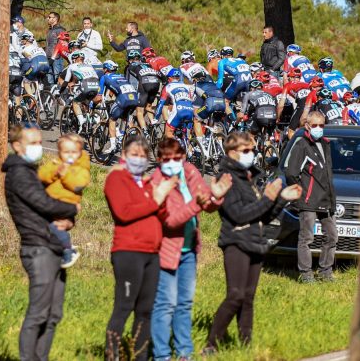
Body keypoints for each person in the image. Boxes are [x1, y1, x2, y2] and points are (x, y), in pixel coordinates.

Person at [205, 132, 301, 353]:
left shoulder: (250, 179)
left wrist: (281, 199)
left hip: (255, 241)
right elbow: (238, 215)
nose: (252, 155)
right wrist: (268, 198)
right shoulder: (226, 178)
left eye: (252, 150)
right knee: (236, 294)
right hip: (236, 241)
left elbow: (263, 216)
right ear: (231, 153)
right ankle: (211, 344)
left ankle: (244, 346)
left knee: (248, 298)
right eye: (246, 151)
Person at [3, 123, 79, 361]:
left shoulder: (32, 172)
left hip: (52, 245)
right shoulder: (19, 174)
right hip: (38, 248)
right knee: (38, 313)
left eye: (39, 142)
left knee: (53, 314)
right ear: (17, 146)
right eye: (33, 143)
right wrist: (72, 208)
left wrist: (68, 220)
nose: (39, 147)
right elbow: (43, 204)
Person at [150, 138, 231, 361]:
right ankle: (161, 355)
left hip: (189, 250)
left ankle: (185, 353)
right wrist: (197, 203)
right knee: (165, 305)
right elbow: (171, 221)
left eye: (178, 157)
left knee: (184, 303)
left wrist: (215, 196)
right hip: (165, 250)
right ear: (159, 160)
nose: (174, 162)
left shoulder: (190, 172)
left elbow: (207, 204)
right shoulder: (157, 181)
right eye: (168, 159)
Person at [103, 136, 171, 361]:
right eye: (135, 155)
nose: (139, 160)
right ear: (124, 156)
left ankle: (140, 356)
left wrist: (164, 197)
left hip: (152, 253)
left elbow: (160, 214)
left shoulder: (147, 183)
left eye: (144, 156)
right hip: (128, 251)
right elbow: (124, 212)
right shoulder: (117, 178)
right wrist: (156, 199)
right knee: (124, 306)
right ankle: (112, 355)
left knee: (145, 311)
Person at [285, 111, 339, 283]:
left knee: (332, 236)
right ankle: (306, 273)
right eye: (314, 125)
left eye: (321, 125)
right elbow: (291, 173)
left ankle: (325, 271)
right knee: (306, 238)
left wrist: (332, 199)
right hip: (308, 200)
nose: (318, 128)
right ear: (307, 125)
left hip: (326, 199)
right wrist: (302, 191)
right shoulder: (302, 144)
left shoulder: (326, 144)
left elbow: (327, 174)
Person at [38, 133, 91, 268]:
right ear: (59, 152)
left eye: (74, 152)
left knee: (56, 227)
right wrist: (55, 172)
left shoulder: (81, 169)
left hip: (66, 204)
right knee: (46, 228)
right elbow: (42, 175)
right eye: (66, 152)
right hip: (50, 202)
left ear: (80, 152)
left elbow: (78, 184)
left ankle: (68, 249)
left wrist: (65, 174)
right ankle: (56, 251)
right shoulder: (56, 163)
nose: (70, 155)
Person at [99, 60, 141, 154]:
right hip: (134, 97)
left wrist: (92, 104)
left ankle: (113, 145)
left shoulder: (104, 77)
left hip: (123, 98)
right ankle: (132, 134)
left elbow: (99, 96)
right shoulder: (121, 76)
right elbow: (114, 90)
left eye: (103, 68)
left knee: (112, 120)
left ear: (106, 69)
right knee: (125, 118)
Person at [58, 51, 101, 130]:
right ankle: (95, 121)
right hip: (96, 84)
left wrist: (60, 92)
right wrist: (74, 82)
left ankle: (82, 123)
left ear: (74, 59)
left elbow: (66, 82)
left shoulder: (72, 66)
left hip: (86, 85)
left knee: (76, 102)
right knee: (86, 101)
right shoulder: (89, 66)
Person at [155, 68, 198, 140]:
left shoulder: (167, 87)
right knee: (186, 137)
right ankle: (188, 150)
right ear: (178, 78)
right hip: (190, 110)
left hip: (179, 111)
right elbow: (191, 100)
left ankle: (177, 148)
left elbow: (161, 104)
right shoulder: (186, 86)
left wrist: (156, 118)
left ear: (169, 78)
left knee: (168, 132)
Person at [125, 49, 162, 130]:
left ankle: (144, 131)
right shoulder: (147, 64)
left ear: (130, 60)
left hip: (144, 85)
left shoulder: (130, 66)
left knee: (139, 111)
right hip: (156, 84)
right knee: (148, 107)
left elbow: (129, 82)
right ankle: (153, 123)